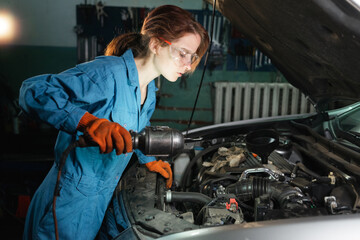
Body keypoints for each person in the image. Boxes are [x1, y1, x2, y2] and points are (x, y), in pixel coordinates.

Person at [19, 4, 209, 240]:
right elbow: (33, 90)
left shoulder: (148, 91)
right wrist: (87, 123)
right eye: (183, 53)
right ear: (156, 44)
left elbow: (133, 132)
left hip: (99, 201)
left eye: (192, 57)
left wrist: (147, 160)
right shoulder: (108, 74)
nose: (188, 65)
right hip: (66, 203)